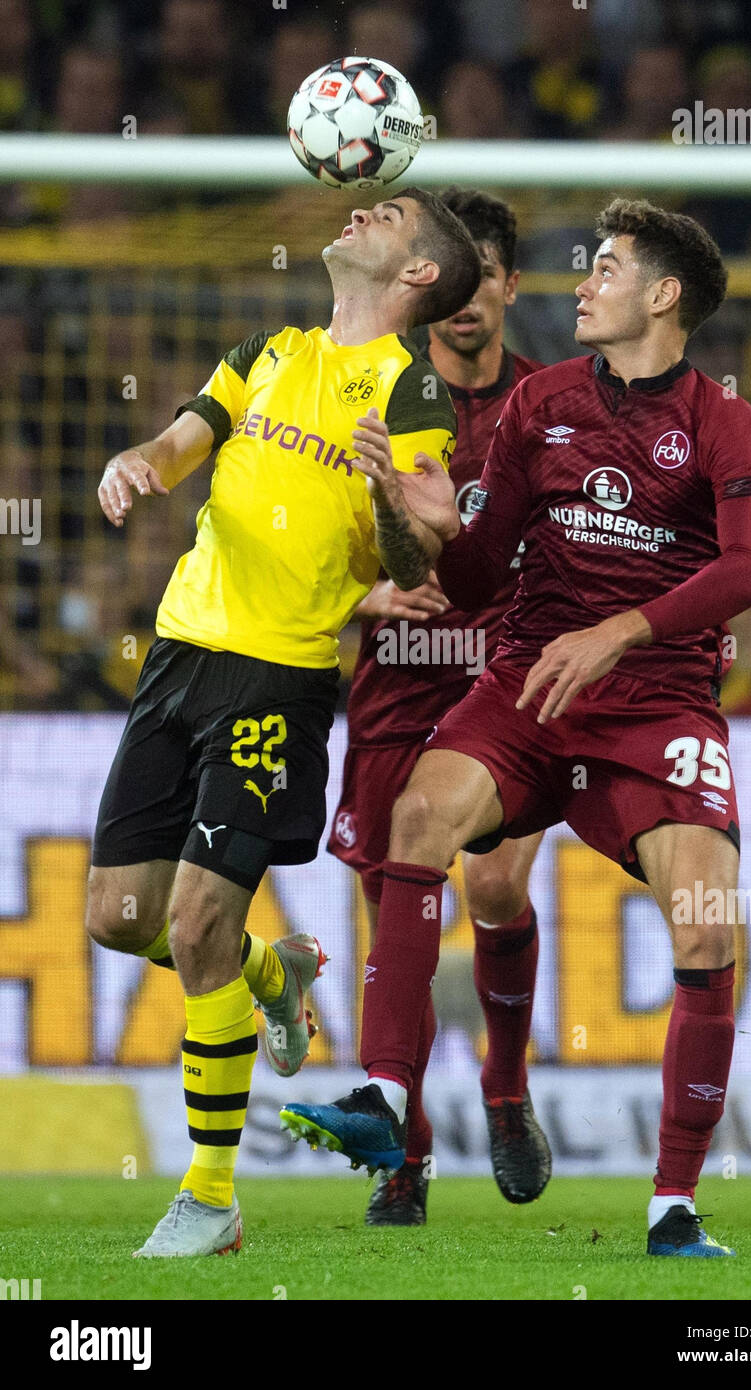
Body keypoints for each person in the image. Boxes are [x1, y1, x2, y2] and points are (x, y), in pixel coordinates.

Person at [282, 198, 751, 1258]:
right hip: (524, 682)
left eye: (604, 267)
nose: (583, 283)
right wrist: (428, 523)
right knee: (414, 825)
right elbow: (476, 573)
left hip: (656, 702)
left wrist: (622, 631)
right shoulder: (541, 404)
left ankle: (673, 1206)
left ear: (662, 295)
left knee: (706, 925)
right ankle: (385, 1099)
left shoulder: (725, 423)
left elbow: (749, 569)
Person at [85, 189, 481, 1257]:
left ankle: (210, 1200)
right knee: (120, 917)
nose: (357, 213)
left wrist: (394, 500)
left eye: (386, 211)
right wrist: (139, 466)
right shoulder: (265, 349)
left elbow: (420, 558)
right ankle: (277, 975)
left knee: (200, 922)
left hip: (277, 680)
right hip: (177, 656)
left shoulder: (407, 393)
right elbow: (182, 441)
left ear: (416, 276)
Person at [328, 189, 547, 1227]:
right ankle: (404, 1158)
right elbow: (299, 534)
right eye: (447, 280)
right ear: (425, 287)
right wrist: (365, 590)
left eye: (484, 276)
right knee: (393, 918)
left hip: (496, 673)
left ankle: (505, 1090)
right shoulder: (369, 388)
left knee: (496, 887)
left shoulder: (551, 404)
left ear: (504, 284)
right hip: (392, 680)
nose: (465, 301)